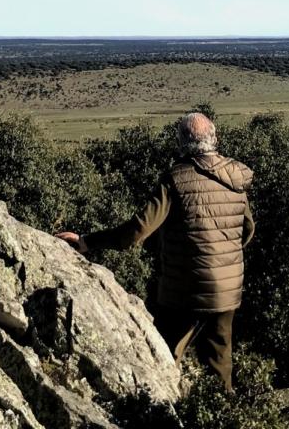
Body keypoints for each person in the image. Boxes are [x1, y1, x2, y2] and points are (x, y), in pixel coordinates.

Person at [56, 112, 255, 391]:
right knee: (220, 364)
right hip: (227, 289)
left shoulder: (176, 179)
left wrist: (88, 241)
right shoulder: (236, 178)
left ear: (181, 143)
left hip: (183, 290)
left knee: (162, 359)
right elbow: (247, 231)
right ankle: (224, 415)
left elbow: (137, 231)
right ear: (214, 138)